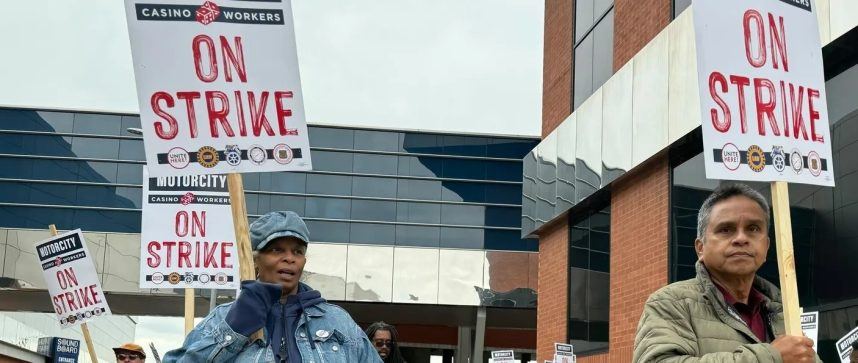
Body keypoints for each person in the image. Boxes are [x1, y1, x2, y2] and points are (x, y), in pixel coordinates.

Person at [633, 184, 820, 362]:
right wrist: (771, 357)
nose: (741, 238)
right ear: (700, 248)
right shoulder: (670, 303)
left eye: (753, 228)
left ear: (767, 246)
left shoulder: (784, 313)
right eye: (725, 229)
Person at [164, 211, 381, 362]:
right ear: (255, 260)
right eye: (277, 250)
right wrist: (232, 332)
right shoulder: (223, 319)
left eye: (297, 251)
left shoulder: (337, 322)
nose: (290, 258)